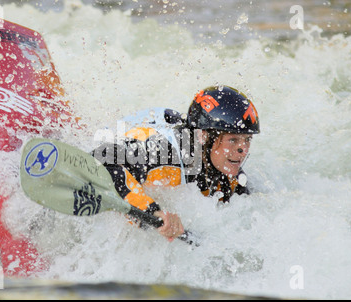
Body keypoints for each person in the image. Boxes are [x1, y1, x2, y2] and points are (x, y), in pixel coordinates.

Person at [92, 85, 260, 242]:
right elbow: (99, 160)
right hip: (114, 144)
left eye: (247, 140)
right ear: (204, 136)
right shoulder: (166, 152)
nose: (243, 150)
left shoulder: (228, 170)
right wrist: (153, 211)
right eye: (233, 140)